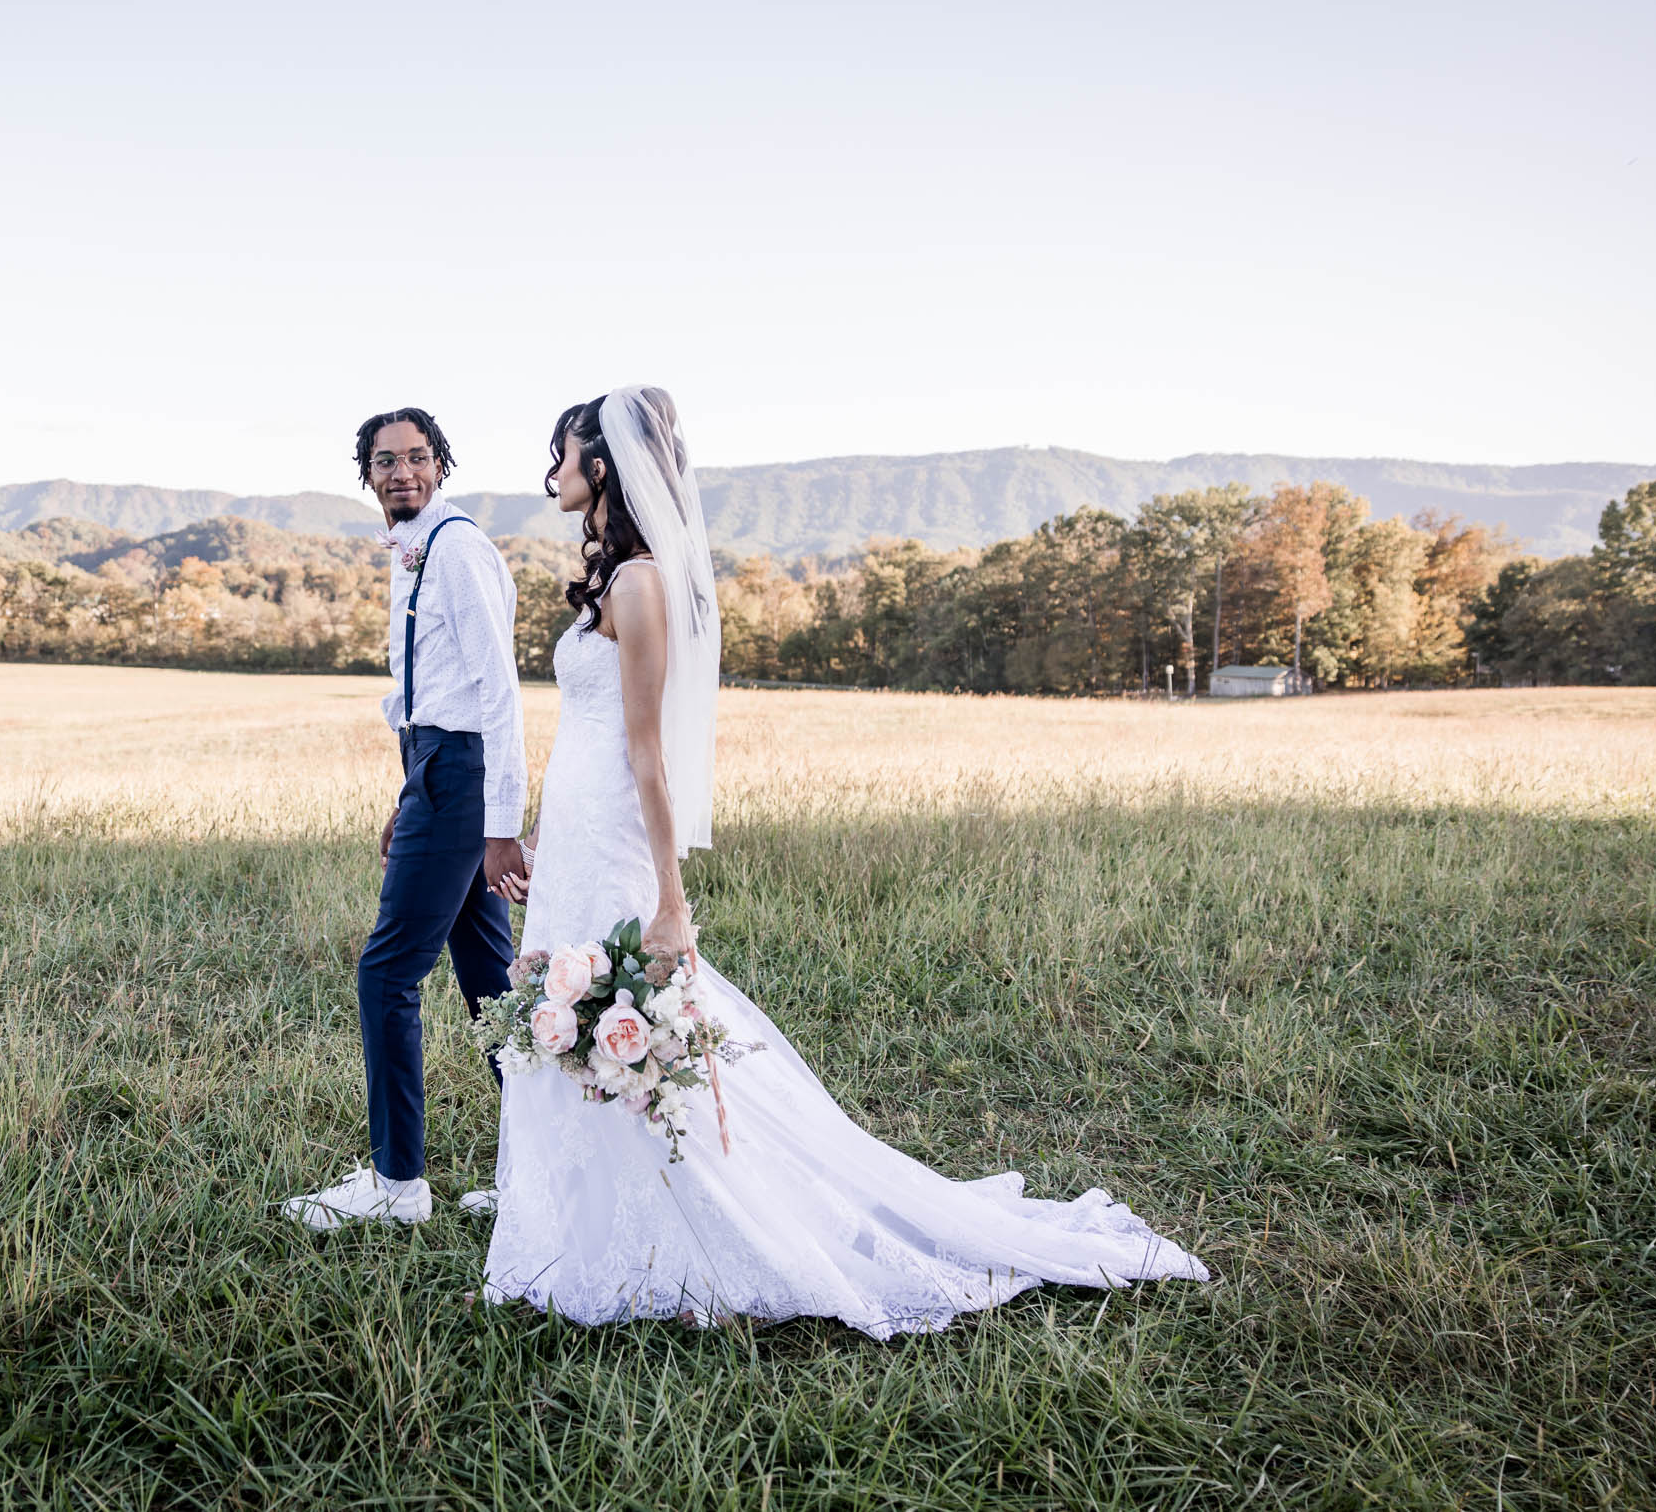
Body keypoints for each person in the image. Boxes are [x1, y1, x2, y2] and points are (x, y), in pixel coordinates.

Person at [482, 386, 1209, 1335]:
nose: (555, 470)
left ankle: (679, 1233)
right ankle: (565, 1240)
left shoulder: (640, 584)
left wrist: (670, 897)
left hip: (619, 841)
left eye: (565, 451)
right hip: (576, 836)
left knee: (628, 1022)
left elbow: (647, 754)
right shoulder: (612, 580)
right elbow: (583, 737)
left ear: (605, 465)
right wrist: (542, 832)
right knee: (563, 1019)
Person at [282, 407, 529, 1230]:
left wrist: (501, 827)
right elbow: (432, 689)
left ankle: (397, 1187)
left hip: (463, 778)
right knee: (493, 985)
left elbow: (499, 693)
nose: (403, 473)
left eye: (418, 458)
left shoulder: (457, 549)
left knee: (386, 973)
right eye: (386, 461)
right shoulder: (416, 547)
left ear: (441, 464)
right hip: (434, 769)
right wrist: (406, 792)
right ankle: (542, 1173)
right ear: (367, 474)